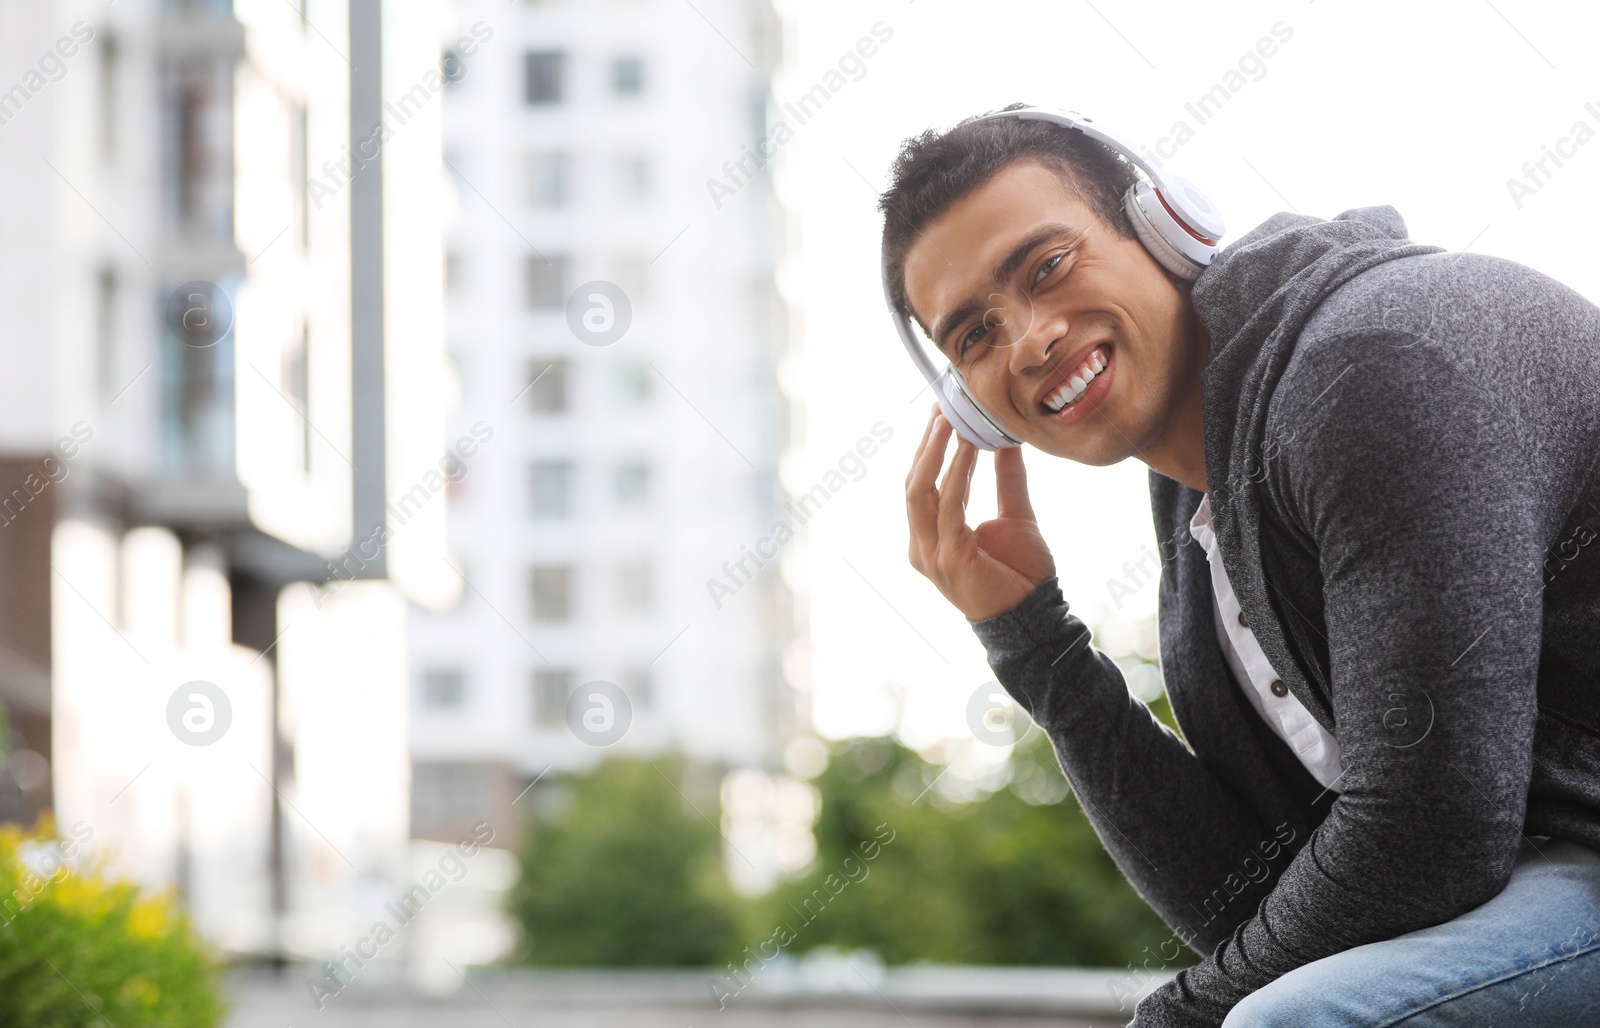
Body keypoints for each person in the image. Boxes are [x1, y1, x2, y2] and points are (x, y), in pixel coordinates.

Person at [888, 104, 1600, 1027]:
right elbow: (1251, 914)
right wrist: (1035, 647)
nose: (1028, 340)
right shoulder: (1204, 515)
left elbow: (1432, 837)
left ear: (1165, 226)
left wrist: (1173, 1018)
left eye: (1047, 268)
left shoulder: (1372, 370)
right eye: (974, 335)